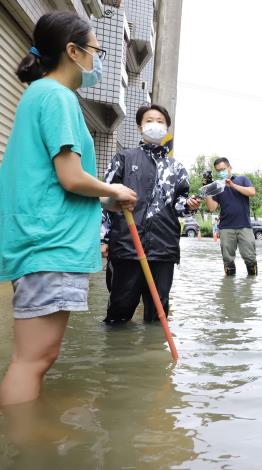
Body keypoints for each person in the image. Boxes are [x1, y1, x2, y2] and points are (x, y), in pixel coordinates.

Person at [0, 12, 137, 406]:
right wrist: (112, 187)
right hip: (49, 242)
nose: (99, 59)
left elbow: (59, 179)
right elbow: (71, 177)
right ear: (73, 51)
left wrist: (107, 198)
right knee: (33, 359)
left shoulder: (40, 95)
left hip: (41, 237)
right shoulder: (57, 97)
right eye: (97, 49)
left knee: (37, 357)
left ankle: (27, 437)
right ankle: (25, 447)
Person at [102, 104, 200, 324]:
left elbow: (178, 205)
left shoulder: (176, 167)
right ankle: (118, 352)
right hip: (127, 246)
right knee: (120, 309)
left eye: (160, 121)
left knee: (158, 313)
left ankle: (153, 353)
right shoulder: (124, 158)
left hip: (163, 248)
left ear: (167, 129)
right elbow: (104, 199)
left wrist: (190, 204)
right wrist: (103, 238)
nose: (155, 125)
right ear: (140, 127)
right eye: (149, 120)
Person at [205, 158, 258, 276]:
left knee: (250, 258)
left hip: (244, 226)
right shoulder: (217, 187)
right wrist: (207, 189)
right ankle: (229, 288)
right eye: (218, 171)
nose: (221, 172)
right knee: (228, 260)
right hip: (226, 228)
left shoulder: (242, 179)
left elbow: (252, 192)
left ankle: (251, 285)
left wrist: (232, 185)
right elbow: (211, 208)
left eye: (223, 169)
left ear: (230, 168)